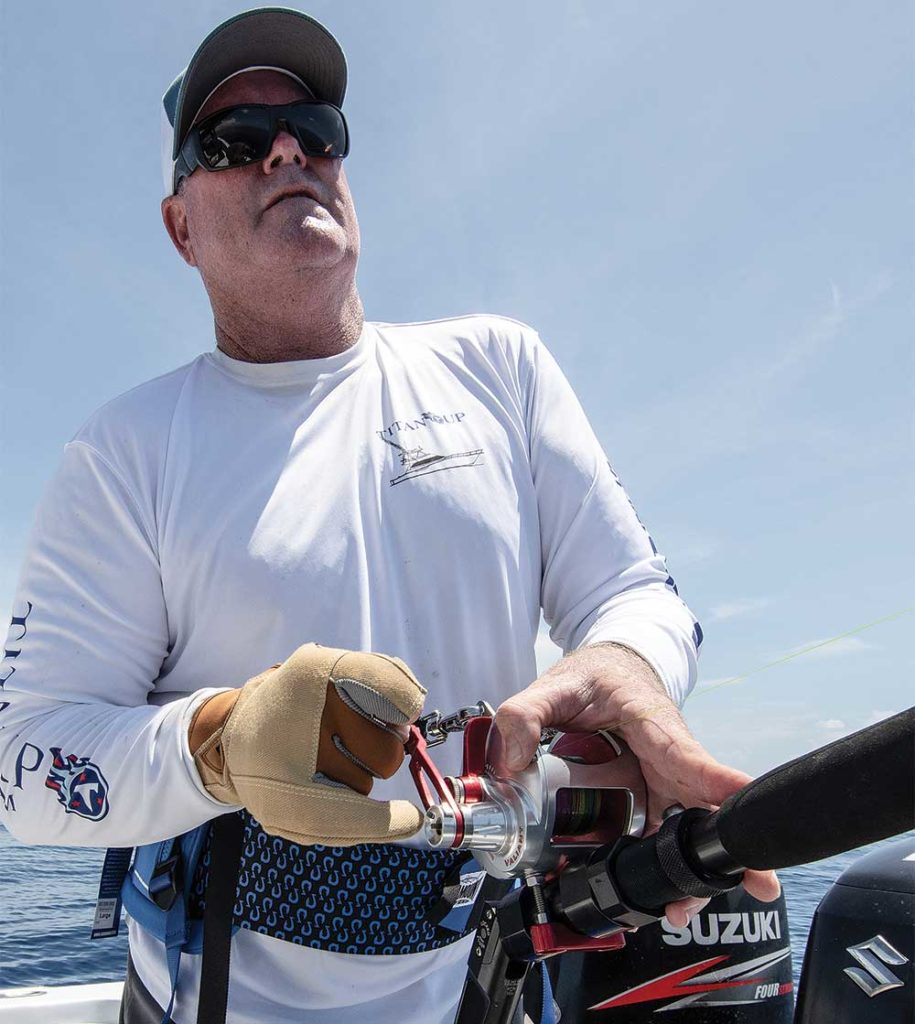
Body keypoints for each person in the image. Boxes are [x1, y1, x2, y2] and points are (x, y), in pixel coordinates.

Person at [0, 8, 778, 1024]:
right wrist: (221, 741)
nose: (289, 149)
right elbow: (29, 769)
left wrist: (627, 667)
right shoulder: (125, 454)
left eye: (316, 128)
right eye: (232, 143)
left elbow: (638, 595)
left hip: (488, 981)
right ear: (180, 225)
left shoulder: (502, 368)